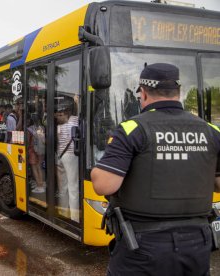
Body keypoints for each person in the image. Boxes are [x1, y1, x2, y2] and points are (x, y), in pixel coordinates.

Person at [91, 63, 220, 275]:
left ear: (143, 93)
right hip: (197, 242)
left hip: (145, 245)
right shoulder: (211, 130)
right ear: (178, 92)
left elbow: (104, 185)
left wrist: (96, 171)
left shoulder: (132, 129)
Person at [54, 98, 79, 222]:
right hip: (71, 156)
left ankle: (63, 213)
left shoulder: (59, 125)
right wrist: (77, 102)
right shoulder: (75, 120)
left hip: (60, 156)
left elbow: (58, 140)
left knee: (63, 187)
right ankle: (74, 217)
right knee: (73, 186)